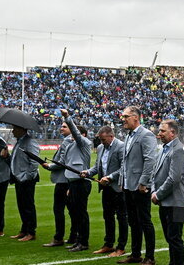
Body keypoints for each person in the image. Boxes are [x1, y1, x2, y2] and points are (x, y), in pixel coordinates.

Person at [43, 110, 93, 251]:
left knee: (81, 213)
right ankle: (78, 240)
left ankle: (83, 242)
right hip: (73, 181)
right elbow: (63, 162)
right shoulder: (71, 145)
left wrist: (67, 117)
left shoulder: (83, 144)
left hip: (81, 182)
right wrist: (50, 166)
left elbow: (76, 134)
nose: (72, 135)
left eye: (73, 132)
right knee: (77, 213)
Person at [149, 120, 184, 265]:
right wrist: (154, 190)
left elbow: (174, 178)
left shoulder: (179, 150)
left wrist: (158, 193)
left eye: (163, 131)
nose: (159, 133)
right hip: (166, 200)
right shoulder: (164, 149)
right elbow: (155, 172)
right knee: (170, 237)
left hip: (176, 201)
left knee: (174, 238)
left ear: (172, 132)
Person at [115, 106, 158, 265]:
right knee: (133, 221)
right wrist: (121, 180)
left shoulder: (146, 135)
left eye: (126, 116)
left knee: (145, 221)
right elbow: (125, 162)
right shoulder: (128, 136)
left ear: (136, 118)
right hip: (128, 185)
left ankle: (150, 257)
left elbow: (150, 160)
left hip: (140, 186)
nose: (123, 119)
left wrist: (144, 182)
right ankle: (135, 254)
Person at [83, 125, 127, 256]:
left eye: (103, 139)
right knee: (107, 216)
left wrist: (110, 177)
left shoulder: (121, 146)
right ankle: (108, 244)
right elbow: (98, 166)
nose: (101, 142)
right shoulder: (101, 148)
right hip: (106, 188)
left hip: (118, 188)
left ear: (111, 136)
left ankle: (121, 247)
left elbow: (124, 168)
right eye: (100, 140)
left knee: (121, 218)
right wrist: (88, 172)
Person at [8, 124, 40, 242]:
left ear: (22, 129)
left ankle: (31, 231)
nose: (12, 131)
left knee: (28, 205)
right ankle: (24, 229)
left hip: (26, 179)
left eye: (15, 129)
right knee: (22, 205)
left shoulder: (30, 142)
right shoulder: (20, 141)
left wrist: (26, 177)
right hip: (19, 178)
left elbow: (34, 162)